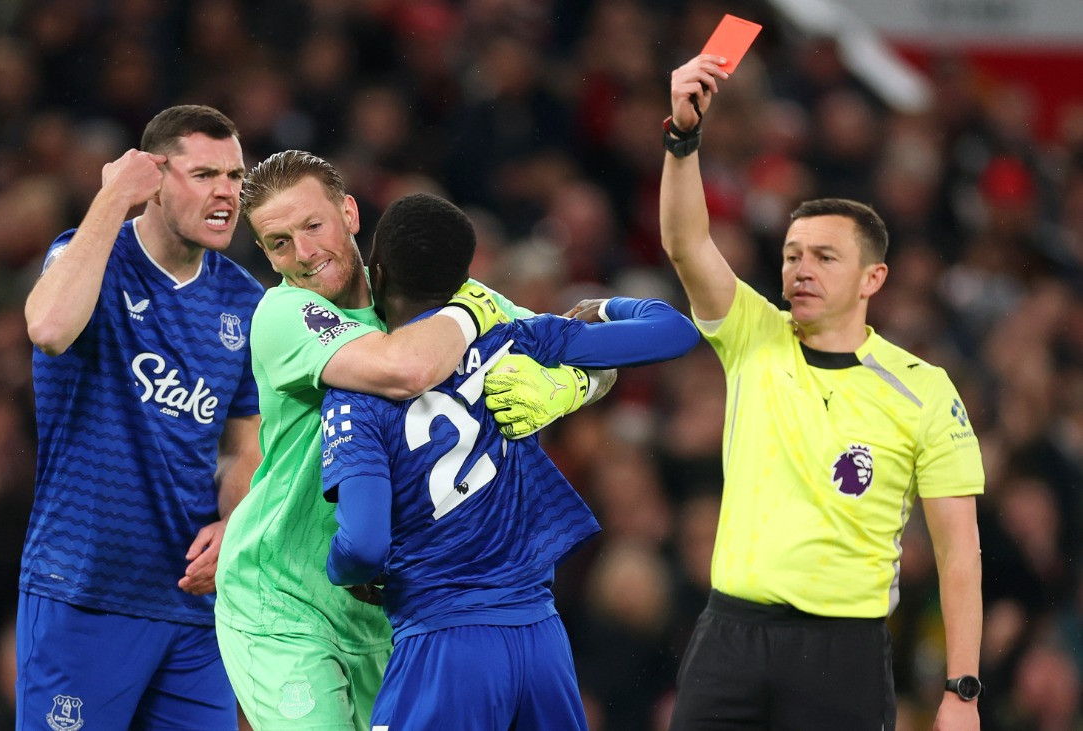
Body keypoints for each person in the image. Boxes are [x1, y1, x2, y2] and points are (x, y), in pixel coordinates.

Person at [213, 150, 607, 730]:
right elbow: (405, 369)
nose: (302, 254)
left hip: (385, 610)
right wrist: (474, 311)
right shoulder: (283, 313)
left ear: (349, 213)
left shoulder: (418, 289)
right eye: (278, 243)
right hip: (283, 602)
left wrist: (573, 386)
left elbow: (586, 339)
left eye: (312, 225)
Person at [659, 56, 985, 730]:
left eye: (823, 256)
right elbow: (686, 242)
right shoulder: (753, 333)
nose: (799, 268)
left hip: (845, 652)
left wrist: (962, 688)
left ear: (874, 277)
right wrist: (683, 139)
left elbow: (958, 549)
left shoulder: (923, 389)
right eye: (791, 254)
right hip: (731, 636)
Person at [319, 192, 700, 730]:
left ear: (376, 273)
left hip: (443, 642)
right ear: (464, 283)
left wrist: (340, 567)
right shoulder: (515, 338)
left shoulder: (357, 389)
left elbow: (362, 545)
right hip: (541, 640)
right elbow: (675, 332)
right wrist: (607, 305)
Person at [19, 105, 262, 730]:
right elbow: (47, 329)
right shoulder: (87, 257)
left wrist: (234, 523)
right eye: (205, 174)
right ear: (152, 179)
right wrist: (110, 201)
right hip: (83, 590)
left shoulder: (245, 300)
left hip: (193, 605)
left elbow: (242, 447)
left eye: (235, 177)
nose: (227, 193)